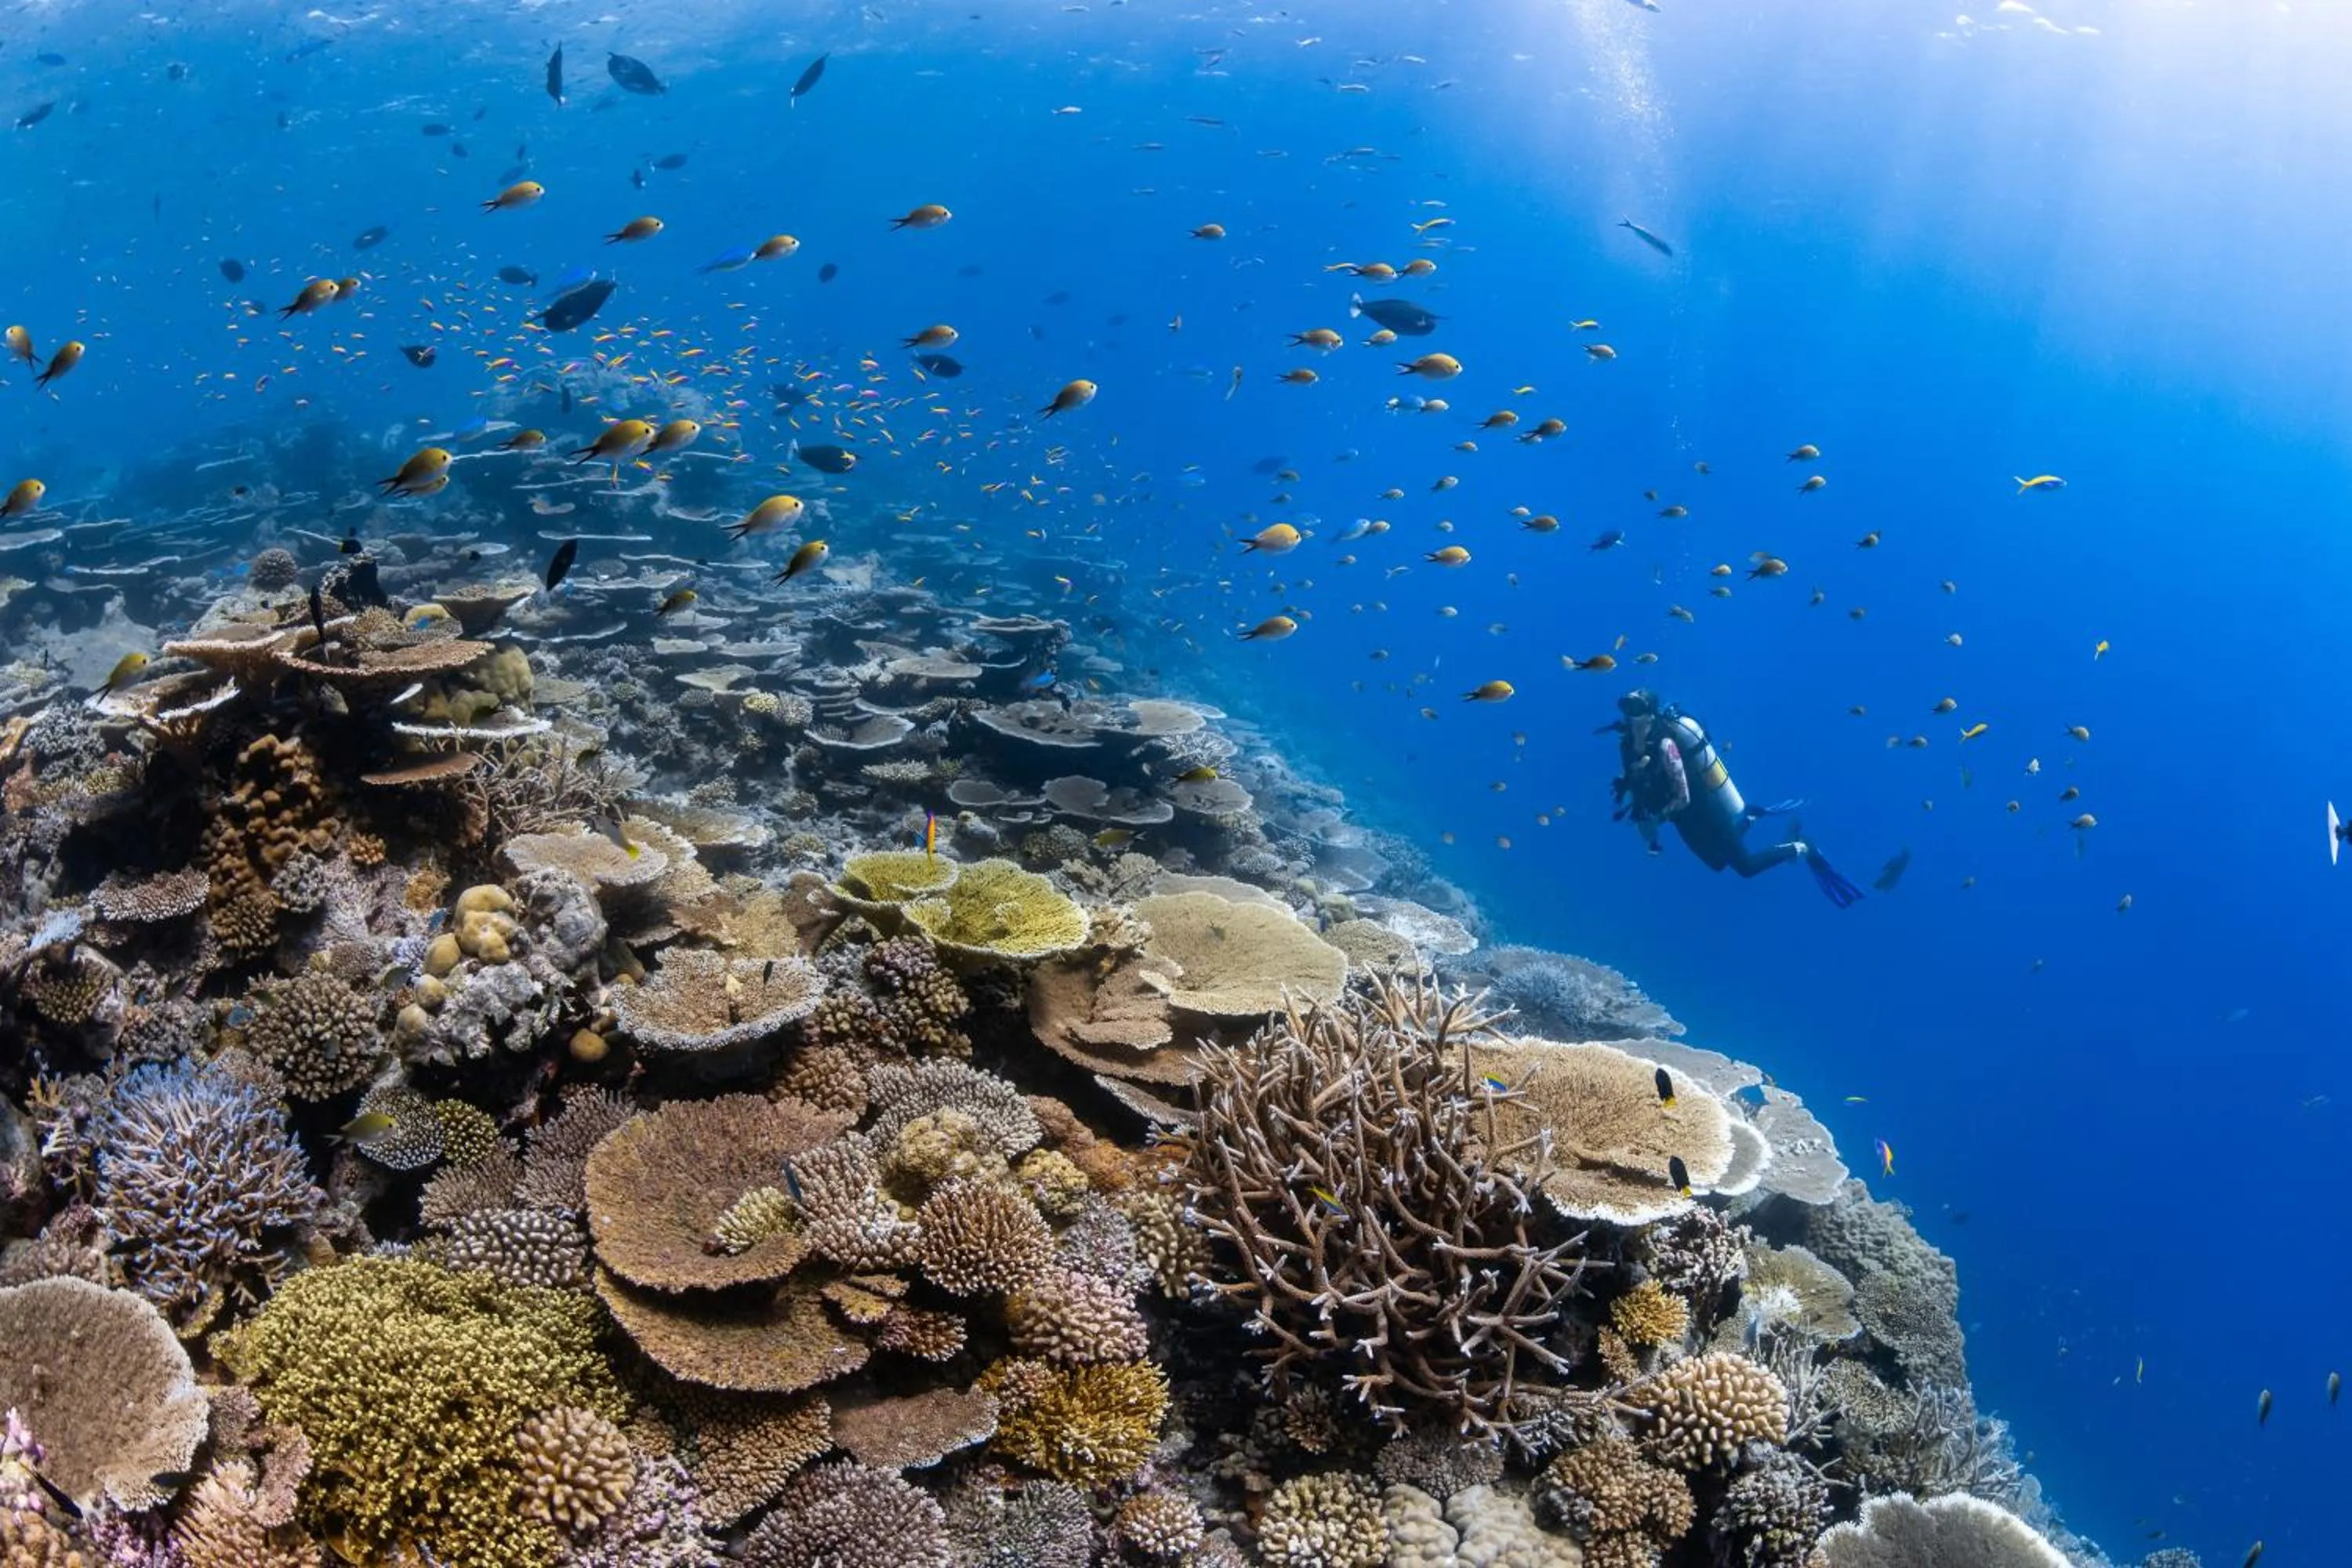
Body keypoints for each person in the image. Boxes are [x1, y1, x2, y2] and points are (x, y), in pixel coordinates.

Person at [1606, 689, 1864, 907]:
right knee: (1718, 864)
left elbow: (1683, 797)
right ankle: (1749, 817)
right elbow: (1633, 778)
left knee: (1746, 868)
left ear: (1650, 712)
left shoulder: (1666, 746)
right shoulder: (1626, 744)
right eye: (1626, 707)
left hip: (1706, 814)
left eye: (1636, 708)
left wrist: (1657, 820)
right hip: (1684, 822)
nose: (1630, 715)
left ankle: (1800, 846)